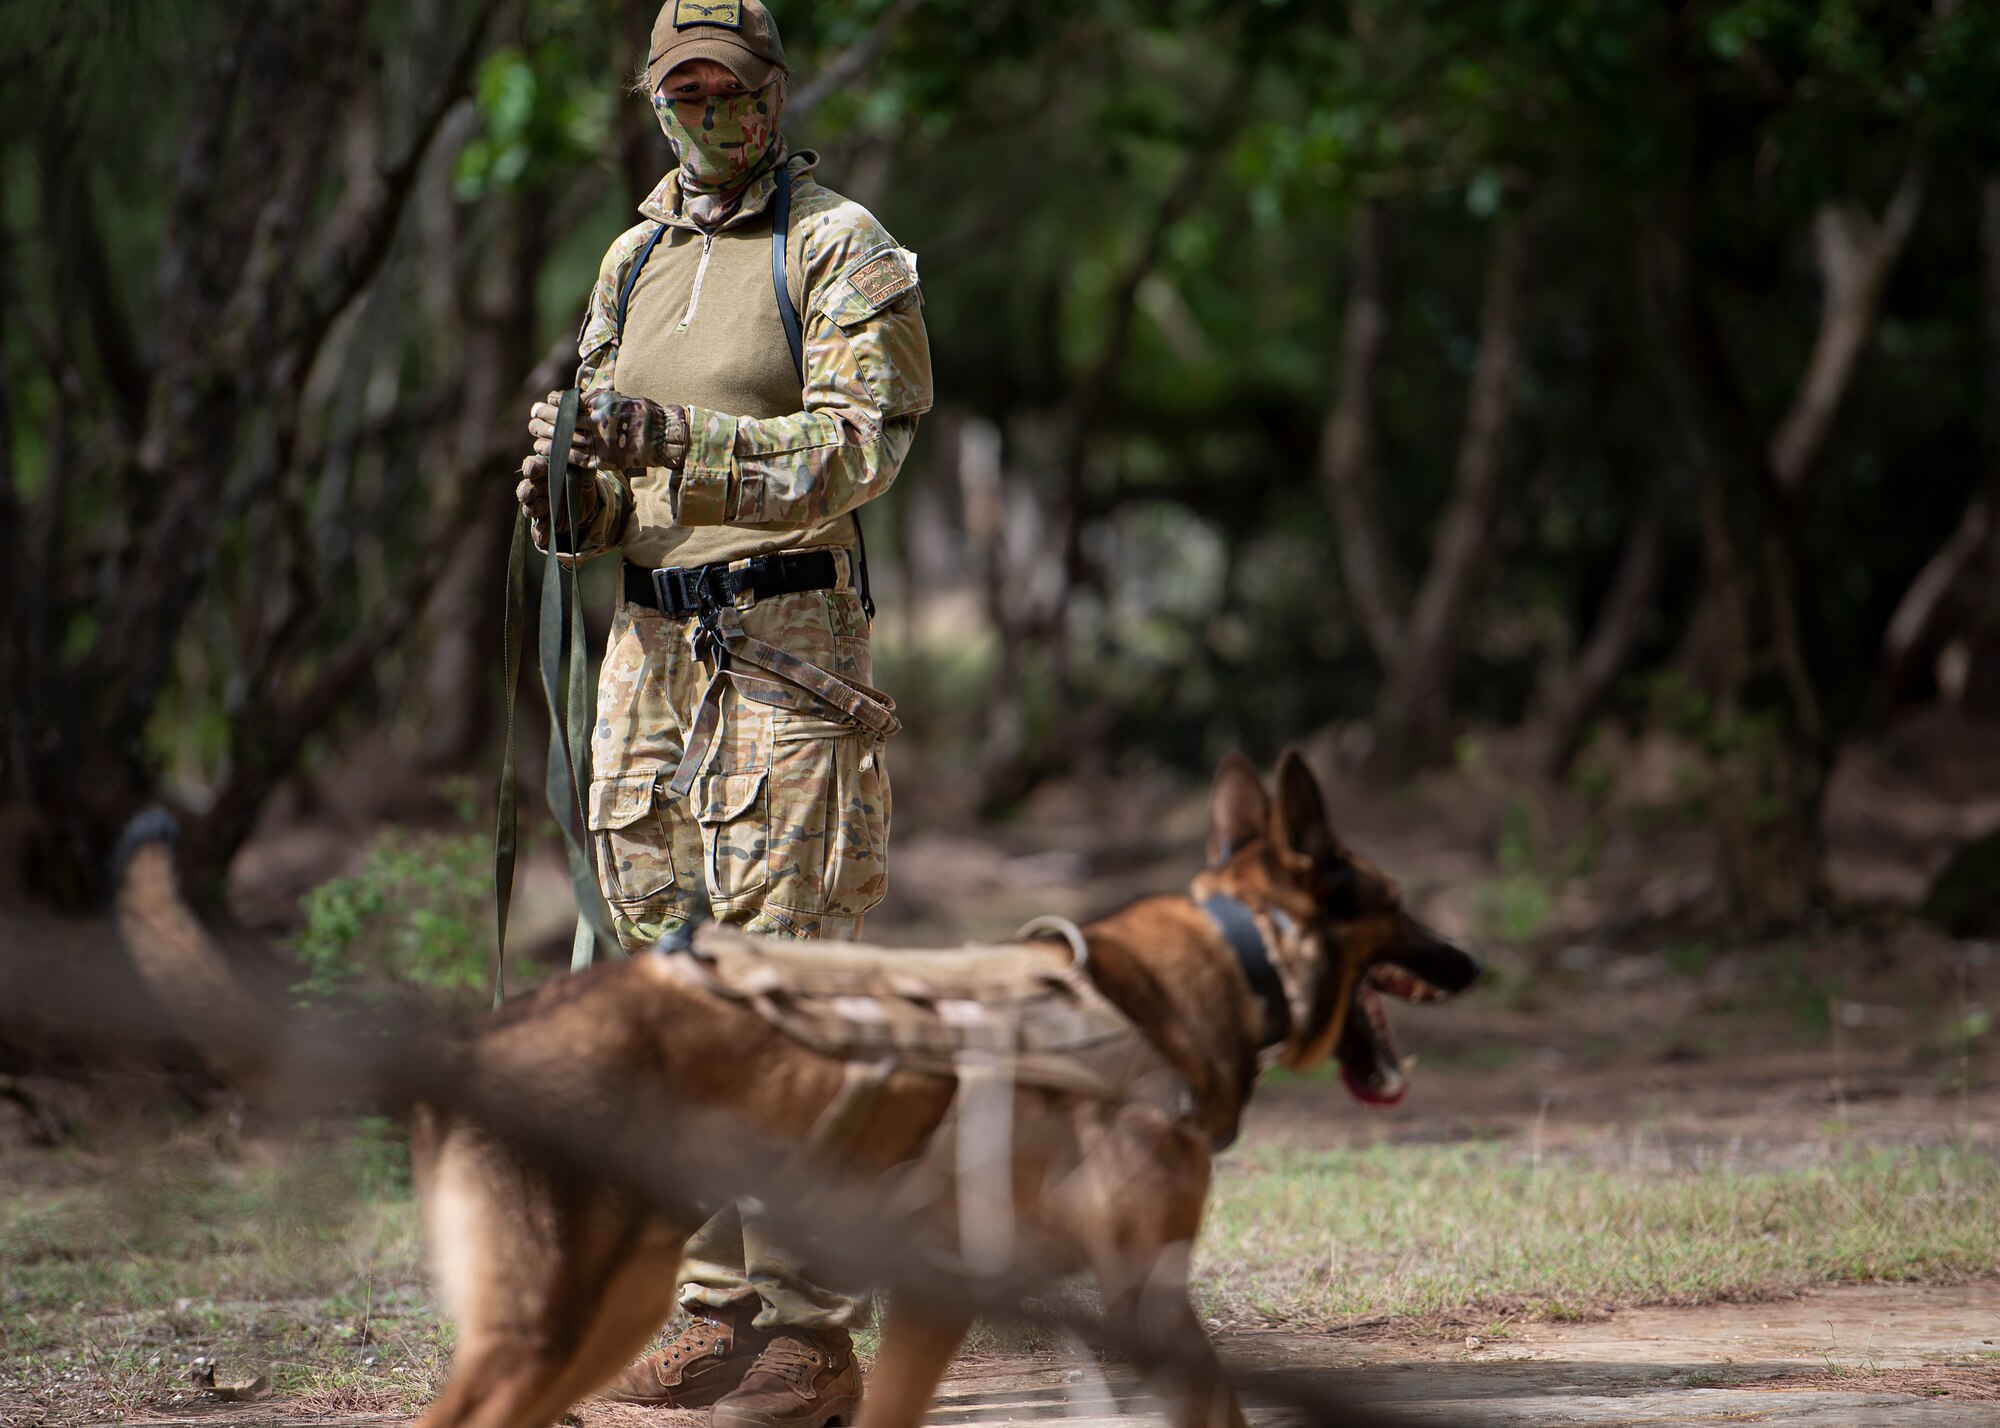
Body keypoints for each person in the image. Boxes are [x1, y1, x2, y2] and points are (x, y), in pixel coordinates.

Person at [513, 2, 932, 1423]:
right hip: (648, 663)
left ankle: (815, 1335)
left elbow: (857, 446)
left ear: (774, 92)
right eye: (684, 93)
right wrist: (569, 492)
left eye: (733, 90)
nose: (711, 116)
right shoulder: (631, 259)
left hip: (789, 657)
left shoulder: (838, 244)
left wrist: (676, 446)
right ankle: (713, 1303)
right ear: (653, 102)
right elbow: (607, 471)